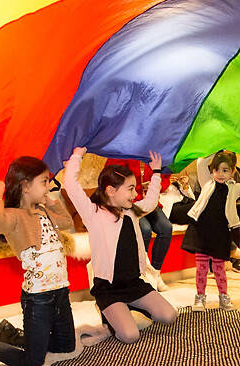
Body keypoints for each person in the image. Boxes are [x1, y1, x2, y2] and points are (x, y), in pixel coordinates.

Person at [0, 156, 75, 365]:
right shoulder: (15, 216)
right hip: (38, 299)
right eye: (44, 181)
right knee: (33, 362)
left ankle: (11, 335)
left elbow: (66, 221)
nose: (48, 186)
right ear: (26, 186)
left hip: (60, 292)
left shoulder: (43, 210)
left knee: (66, 346)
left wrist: (50, 200)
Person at [64, 147, 176, 344]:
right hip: (109, 288)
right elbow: (71, 186)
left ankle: (129, 307)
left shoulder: (131, 212)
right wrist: (77, 157)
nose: (135, 194)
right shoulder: (94, 214)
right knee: (130, 336)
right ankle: (111, 311)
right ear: (110, 190)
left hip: (134, 284)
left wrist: (157, 173)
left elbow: (150, 202)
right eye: (130, 189)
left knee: (169, 316)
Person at [181, 150, 240, 311]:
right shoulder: (207, 182)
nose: (220, 174)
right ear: (212, 171)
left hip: (221, 234)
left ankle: (223, 297)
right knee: (201, 268)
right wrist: (214, 147)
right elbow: (201, 162)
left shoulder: (234, 188)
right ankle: (200, 297)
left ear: (233, 171)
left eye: (225, 170)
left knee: (219, 268)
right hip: (201, 232)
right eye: (216, 170)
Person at [104, 159, 172, 291]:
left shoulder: (155, 153)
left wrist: (157, 186)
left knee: (166, 228)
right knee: (145, 230)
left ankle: (156, 273)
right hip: (130, 204)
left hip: (149, 200)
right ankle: (142, 273)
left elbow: (165, 176)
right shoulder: (124, 152)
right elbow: (111, 174)